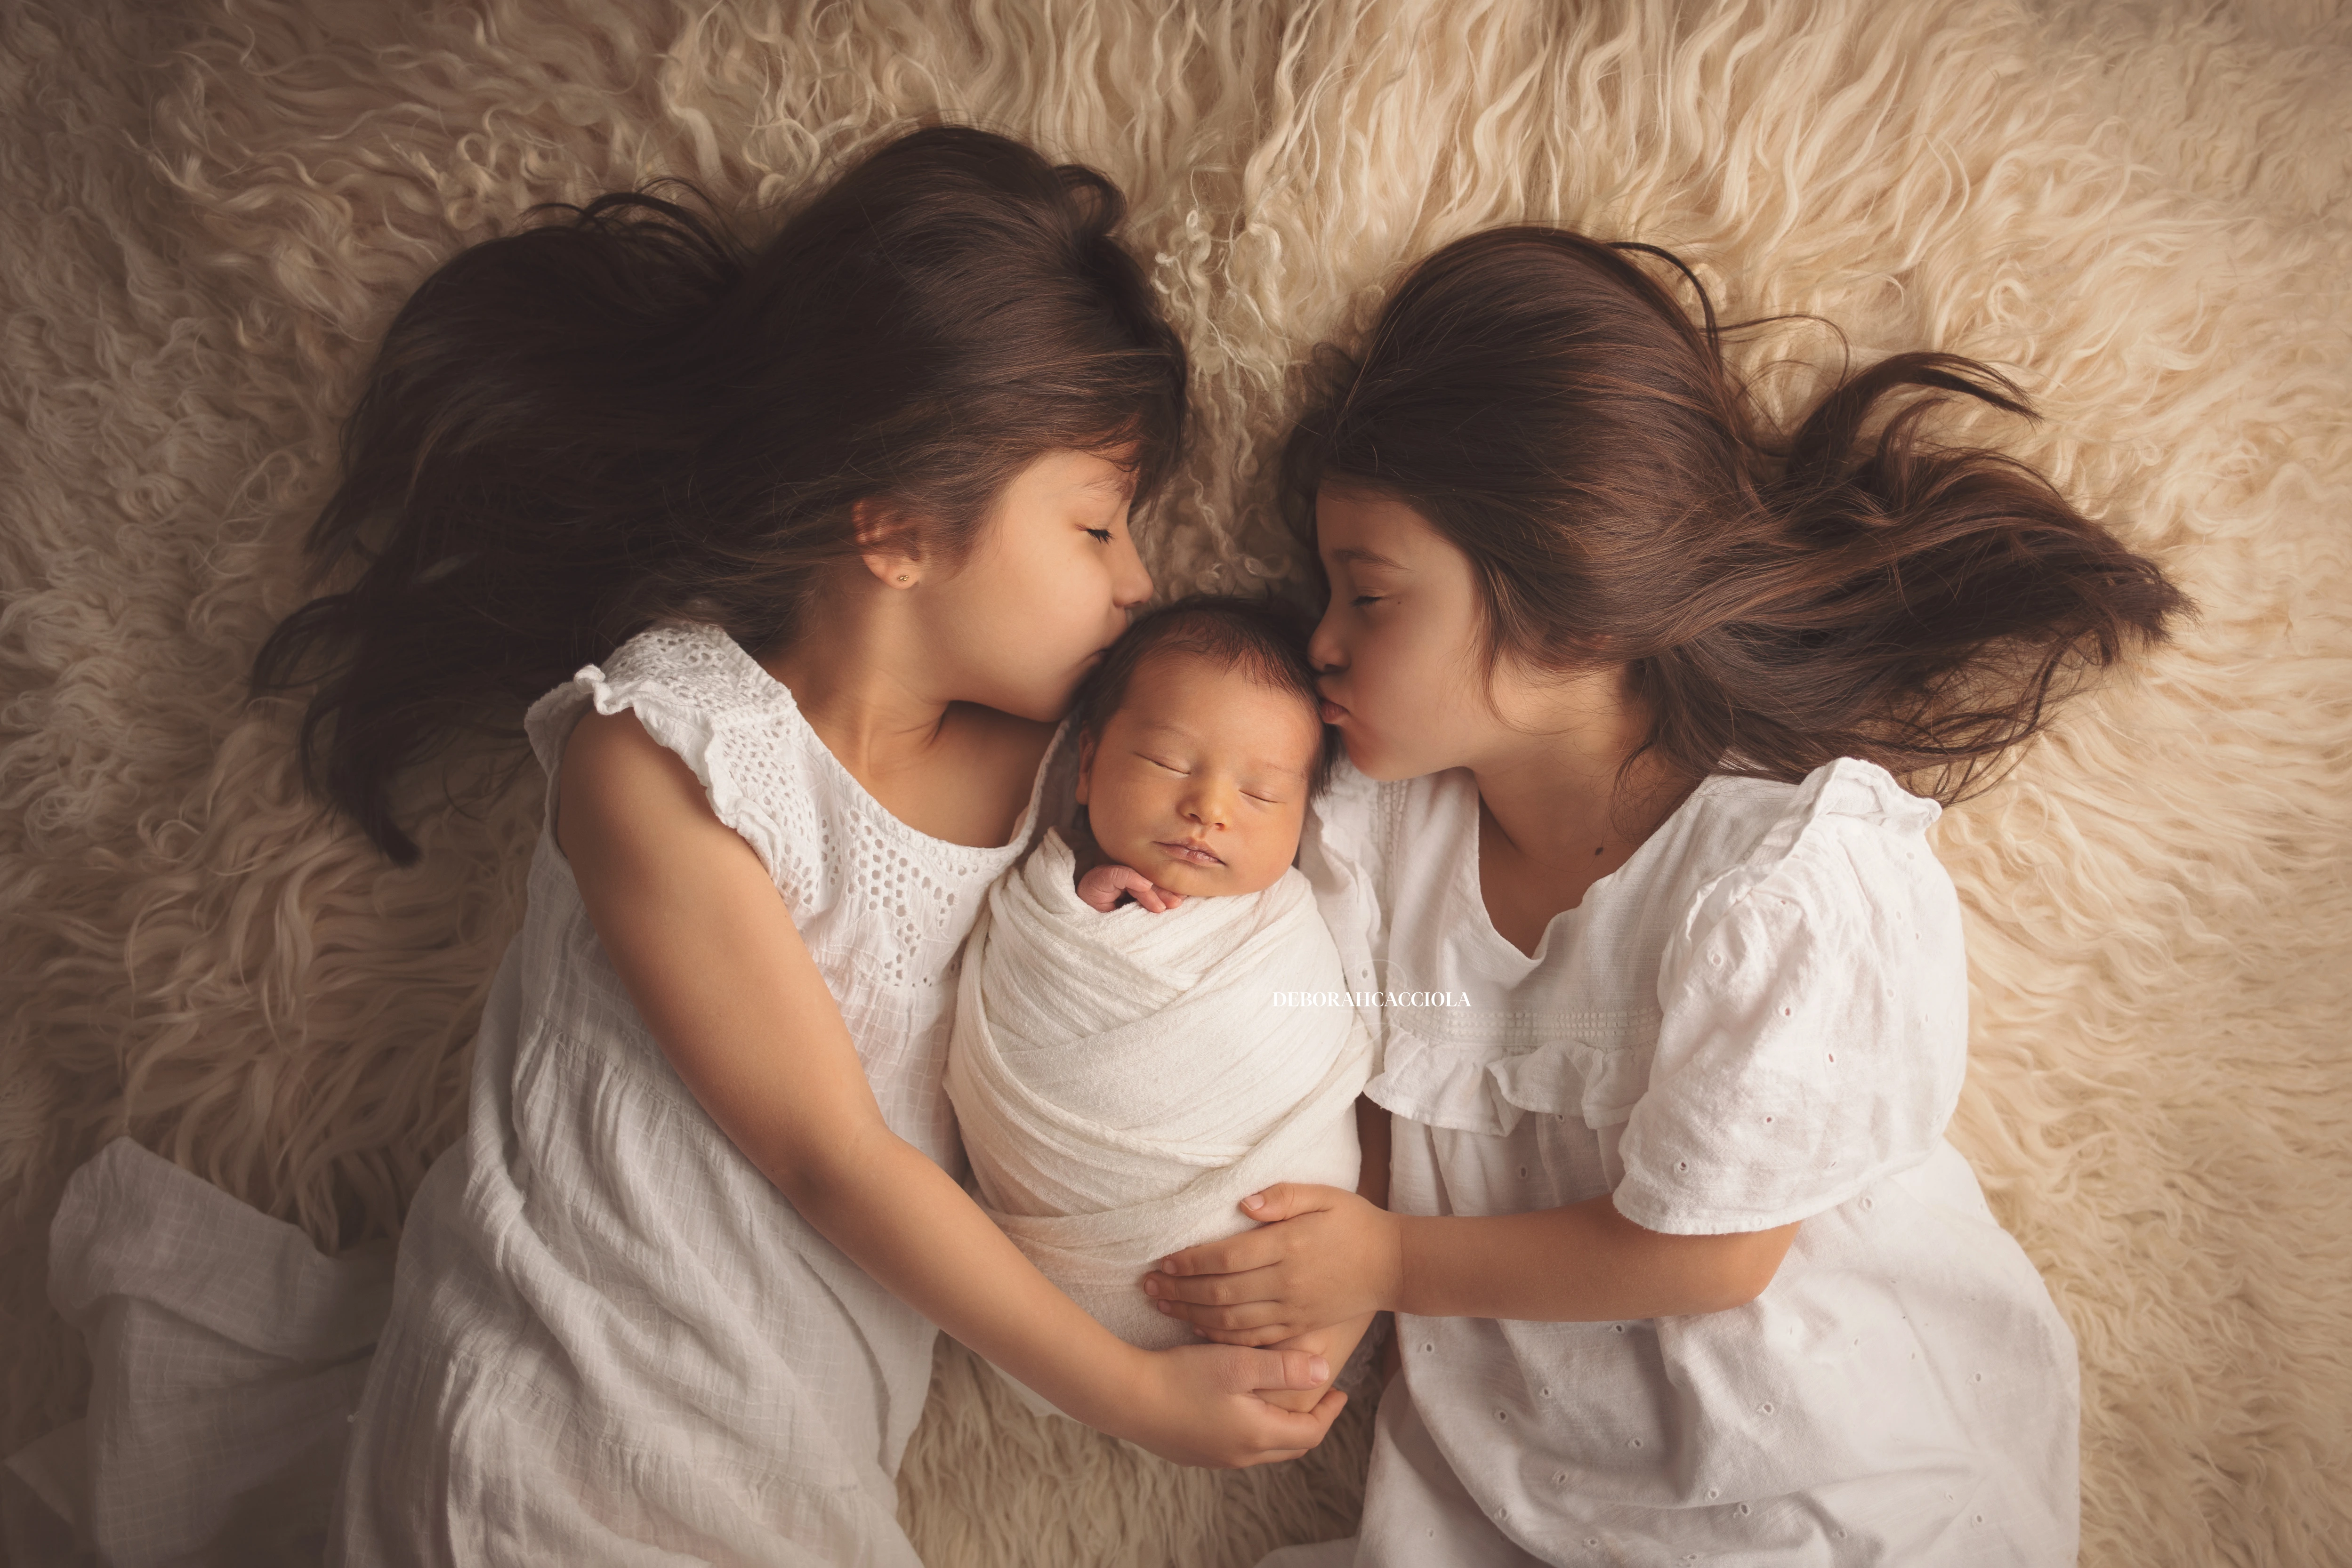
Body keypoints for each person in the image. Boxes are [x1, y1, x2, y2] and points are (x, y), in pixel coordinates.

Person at [253, 126, 1345, 1568]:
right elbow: (831, 1152)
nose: (1139, 578)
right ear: (895, 528)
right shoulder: (667, 750)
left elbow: (1246, 909)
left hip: (795, 1460)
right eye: (1093, 524)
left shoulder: (1068, 769)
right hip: (548, 1431)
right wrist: (1134, 1392)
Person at [1140, 227, 2186, 1565]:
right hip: (1516, 1495)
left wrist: (1387, 1266)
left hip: (1819, 1483)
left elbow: (1708, 1257)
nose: (1322, 639)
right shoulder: (1373, 841)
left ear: (1563, 604)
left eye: (1371, 594)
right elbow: (1365, 1108)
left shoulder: (1778, 881)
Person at [945, 596, 1377, 1419]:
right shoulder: (1045, 911)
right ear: (1085, 765)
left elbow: (1342, 1053)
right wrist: (1080, 913)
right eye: (1171, 763)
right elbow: (1006, 1010)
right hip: (1064, 1314)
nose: (1210, 808)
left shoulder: (1292, 921)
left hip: (1287, 1272)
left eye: (1259, 794)